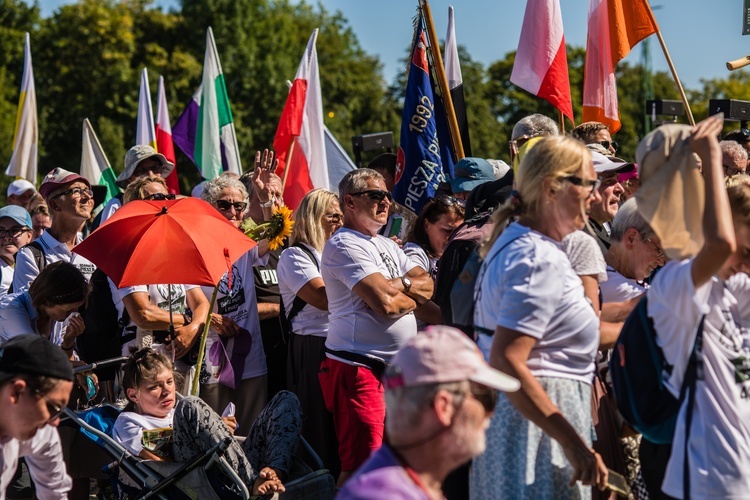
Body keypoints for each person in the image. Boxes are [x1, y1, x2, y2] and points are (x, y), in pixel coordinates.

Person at [471, 136, 608, 498]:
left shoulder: (521, 243)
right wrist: (574, 444)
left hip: (524, 425)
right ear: (551, 188)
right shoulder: (537, 258)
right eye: (589, 183)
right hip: (536, 433)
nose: (596, 195)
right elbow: (507, 360)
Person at [636, 116, 750, 498]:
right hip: (706, 478)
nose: (745, 261)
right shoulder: (674, 283)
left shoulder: (736, 284)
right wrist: (710, 159)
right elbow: (719, 246)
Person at [319, 168, 433, 486]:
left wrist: (401, 287)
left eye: (387, 195)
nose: (385, 201)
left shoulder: (388, 245)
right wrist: (406, 290)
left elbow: (428, 287)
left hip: (396, 371)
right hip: (359, 368)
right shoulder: (343, 243)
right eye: (375, 195)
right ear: (350, 202)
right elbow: (385, 303)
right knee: (361, 468)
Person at [338, 325, 520, 500]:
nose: (491, 414)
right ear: (444, 407)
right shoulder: (380, 495)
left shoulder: (406, 483)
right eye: (486, 398)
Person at [112, 348, 302, 497]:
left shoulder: (176, 409)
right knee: (190, 404)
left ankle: (274, 473)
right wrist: (206, 428)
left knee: (285, 400)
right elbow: (153, 457)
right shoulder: (128, 421)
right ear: (133, 394)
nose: (166, 391)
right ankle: (252, 482)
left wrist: (216, 427)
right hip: (196, 478)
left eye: (169, 382)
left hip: (231, 466)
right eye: (154, 387)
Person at [114, 176, 208, 395]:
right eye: (156, 197)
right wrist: (184, 320)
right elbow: (143, 313)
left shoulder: (173, 250)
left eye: (168, 197)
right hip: (145, 364)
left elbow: (201, 303)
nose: (165, 202)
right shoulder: (128, 252)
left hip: (180, 362)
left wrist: (192, 329)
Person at [199, 168, 274, 432]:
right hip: (211, 359)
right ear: (209, 207)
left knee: (253, 432)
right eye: (224, 204)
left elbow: (274, 235)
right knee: (214, 433)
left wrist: (265, 200)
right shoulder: (196, 247)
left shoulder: (244, 243)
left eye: (239, 206)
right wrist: (211, 318)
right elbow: (187, 300)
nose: (233, 211)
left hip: (250, 356)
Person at [277, 188, 342, 475]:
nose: (341, 221)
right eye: (333, 216)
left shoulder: (338, 254)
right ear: (314, 217)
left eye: (342, 215)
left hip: (341, 346)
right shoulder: (295, 256)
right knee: (319, 428)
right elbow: (324, 299)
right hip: (313, 348)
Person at [0, 335, 76, 499]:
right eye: (52, 407)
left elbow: (55, 492)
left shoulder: (41, 431)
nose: (55, 421)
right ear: (17, 392)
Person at [13, 168, 97, 292]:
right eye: (77, 191)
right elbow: (26, 308)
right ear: (54, 205)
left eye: (87, 191)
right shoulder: (30, 255)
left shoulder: (92, 251)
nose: (86, 197)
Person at [94, 145, 175, 227]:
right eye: (141, 170)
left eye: (155, 168)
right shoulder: (117, 205)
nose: (150, 174)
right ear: (130, 178)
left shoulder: (175, 204)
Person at [587, 152, 635, 253]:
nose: (620, 189)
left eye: (617, 180)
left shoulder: (597, 230)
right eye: (609, 181)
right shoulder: (576, 239)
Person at [0, 206, 33, 297]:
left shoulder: (26, 266)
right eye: (1, 231)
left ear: (29, 236)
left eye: (14, 230)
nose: (7, 237)